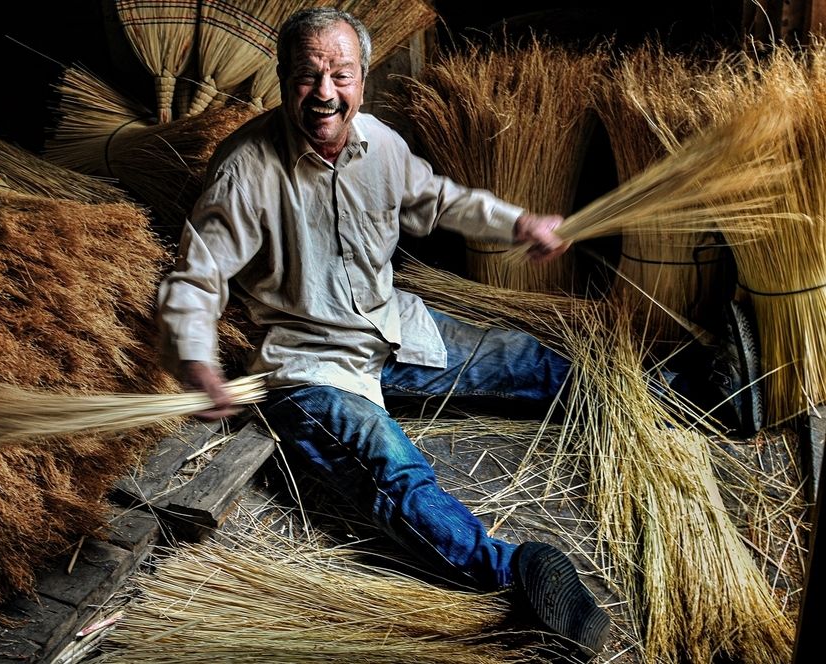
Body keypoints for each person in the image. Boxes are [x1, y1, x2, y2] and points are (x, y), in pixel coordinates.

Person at [156, 7, 761, 657]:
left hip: (390, 328)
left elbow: (440, 200)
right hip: (310, 366)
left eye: (341, 74)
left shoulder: (380, 144)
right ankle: (514, 575)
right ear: (283, 79)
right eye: (308, 76)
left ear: (362, 78)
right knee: (392, 470)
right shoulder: (244, 169)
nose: (325, 92)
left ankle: (689, 393)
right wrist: (197, 360)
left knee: (528, 361)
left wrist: (517, 224)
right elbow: (196, 277)